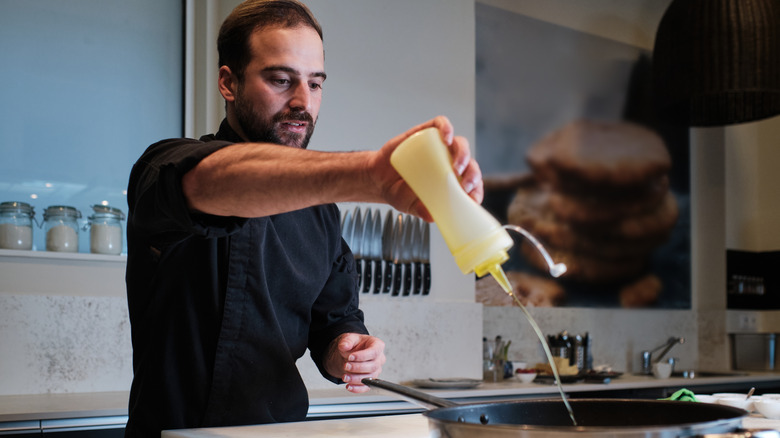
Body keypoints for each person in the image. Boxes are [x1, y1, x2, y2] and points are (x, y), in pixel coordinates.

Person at [124, 0, 483, 435]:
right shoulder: (165, 165)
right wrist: (370, 175)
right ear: (228, 82)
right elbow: (214, 181)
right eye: (280, 79)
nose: (302, 102)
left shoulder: (321, 215)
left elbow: (334, 324)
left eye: (315, 84)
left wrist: (349, 350)